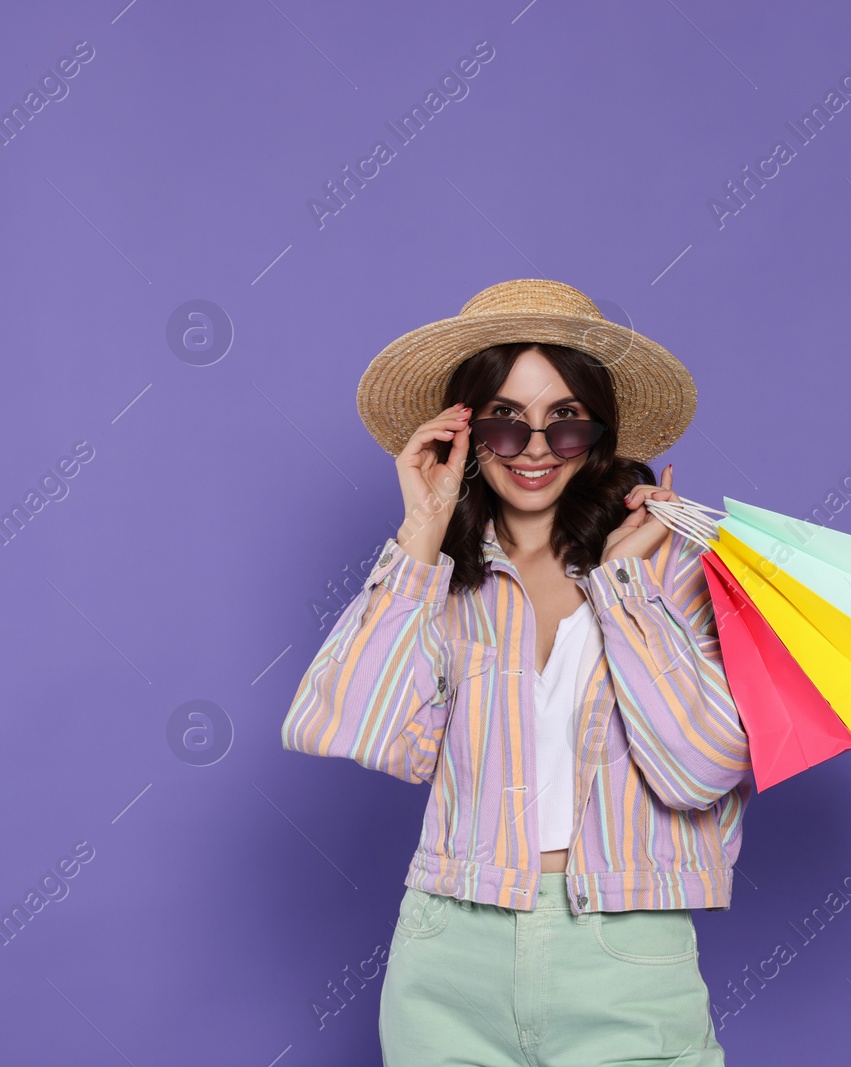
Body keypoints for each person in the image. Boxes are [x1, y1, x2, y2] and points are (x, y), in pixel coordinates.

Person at [280, 278, 753, 1066]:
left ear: (598, 433)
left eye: (564, 421)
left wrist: (625, 588)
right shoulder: (436, 575)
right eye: (507, 420)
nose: (535, 448)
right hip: (449, 950)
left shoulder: (668, 562)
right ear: (466, 430)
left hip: (625, 952)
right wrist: (421, 536)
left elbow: (702, 768)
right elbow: (350, 726)